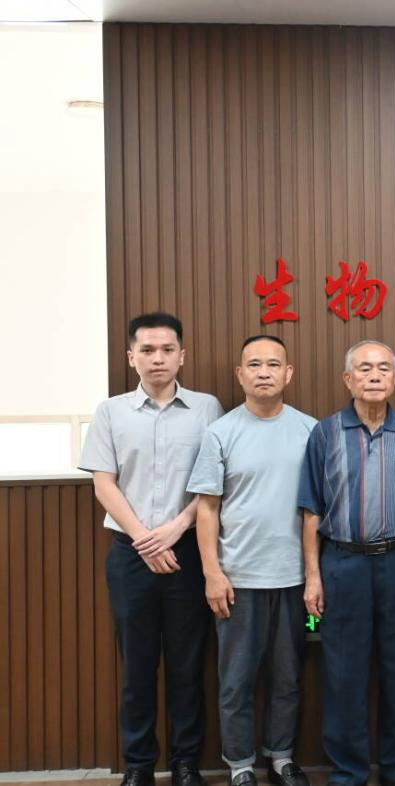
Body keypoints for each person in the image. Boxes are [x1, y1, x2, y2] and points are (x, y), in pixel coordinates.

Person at [78, 312, 223, 786]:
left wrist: (176, 529)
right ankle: (138, 766)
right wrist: (145, 538)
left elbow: (214, 482)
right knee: (137, 666)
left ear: (182, 355)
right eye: (147, 350)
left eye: (166, 350)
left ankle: (185, 763)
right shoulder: (111, 412)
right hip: (129, 554)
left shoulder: (207, 408)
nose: (157, 358)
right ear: (131, 357)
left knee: (187, 665)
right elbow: (104, 483)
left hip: (188, 553)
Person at [187, 335, 317, 786]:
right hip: (237, 579)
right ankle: (240, 765)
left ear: (288, 373)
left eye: (273, 364)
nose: (264, 372)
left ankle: (281, 757)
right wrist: (212, 573)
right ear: (239, 374)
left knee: (288, 677)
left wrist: (314, 576)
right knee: (236, 680)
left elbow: (314, 511)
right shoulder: (221, 432)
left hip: (293, 580)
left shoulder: (310, 430)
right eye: (254, 365)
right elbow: (207, 508)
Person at [298, 340, 395, 786]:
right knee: (343, 673)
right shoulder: (325, 433)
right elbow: (311, 511)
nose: (374, 376)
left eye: (383, 368)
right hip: (342, 564)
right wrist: (313, 577)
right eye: (364, 368)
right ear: (347, 379)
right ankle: (348, 772)